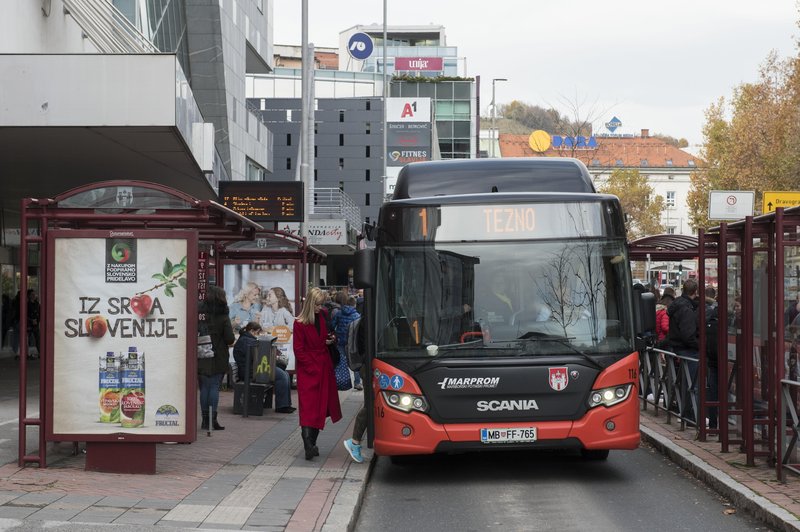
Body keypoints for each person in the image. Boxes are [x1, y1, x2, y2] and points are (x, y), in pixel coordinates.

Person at [293, 287, 342, 460]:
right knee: (308, 407)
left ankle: (311, 444)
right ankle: (308, 445)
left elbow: (327, 335)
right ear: (310, 303)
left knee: (321, 406)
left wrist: (331, 339)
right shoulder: (299, 323)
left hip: (323, 366)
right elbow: (298, 350)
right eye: (317, 304)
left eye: (321, 304)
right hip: (309, 369)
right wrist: (310, 367)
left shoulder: (323, 315)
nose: (320, 307)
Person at [232, 322, 295, 414]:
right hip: (251, 371)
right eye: (257, 333)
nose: (258, 335)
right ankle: (282, 406)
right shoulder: (246, 340)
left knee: (284, 374)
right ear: (252, 331)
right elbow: (257, 356)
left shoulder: (247, 339)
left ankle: (285, 404)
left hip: (254, 369)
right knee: (282, 376)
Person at [199, 285, 235, 431]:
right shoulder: (223, 316)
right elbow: (230, 339)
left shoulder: (200, 313)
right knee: (214, 386)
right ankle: (212, 421)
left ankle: (204, 421)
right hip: (218, 355)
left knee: (204, 388)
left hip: (201, 353)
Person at [667, 279, 700, 421]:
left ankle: (685, 411)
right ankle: (689, 414)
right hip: (688, 349)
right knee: (692, 383)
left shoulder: (677, 305)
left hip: (678, 347)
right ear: (696, 291)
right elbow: (688, 335)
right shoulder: (687, 309)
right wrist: (699, 345)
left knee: (684, 381)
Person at [344, 314, 368, 463]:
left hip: (370, 366)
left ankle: (355, 442)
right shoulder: (368, 321)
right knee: (370, 405)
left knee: (371, 405)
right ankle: (354, 442)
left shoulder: (368, 319)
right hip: (369, 367)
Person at [332, 294, 362, 390]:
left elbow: (332, 325)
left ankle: (340, 381)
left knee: (341, 362)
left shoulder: (339, 313)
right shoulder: (357, 315)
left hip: (340, 341)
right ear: (354, 305)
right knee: (354, 361)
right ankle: (357, 383)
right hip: (351, 342)